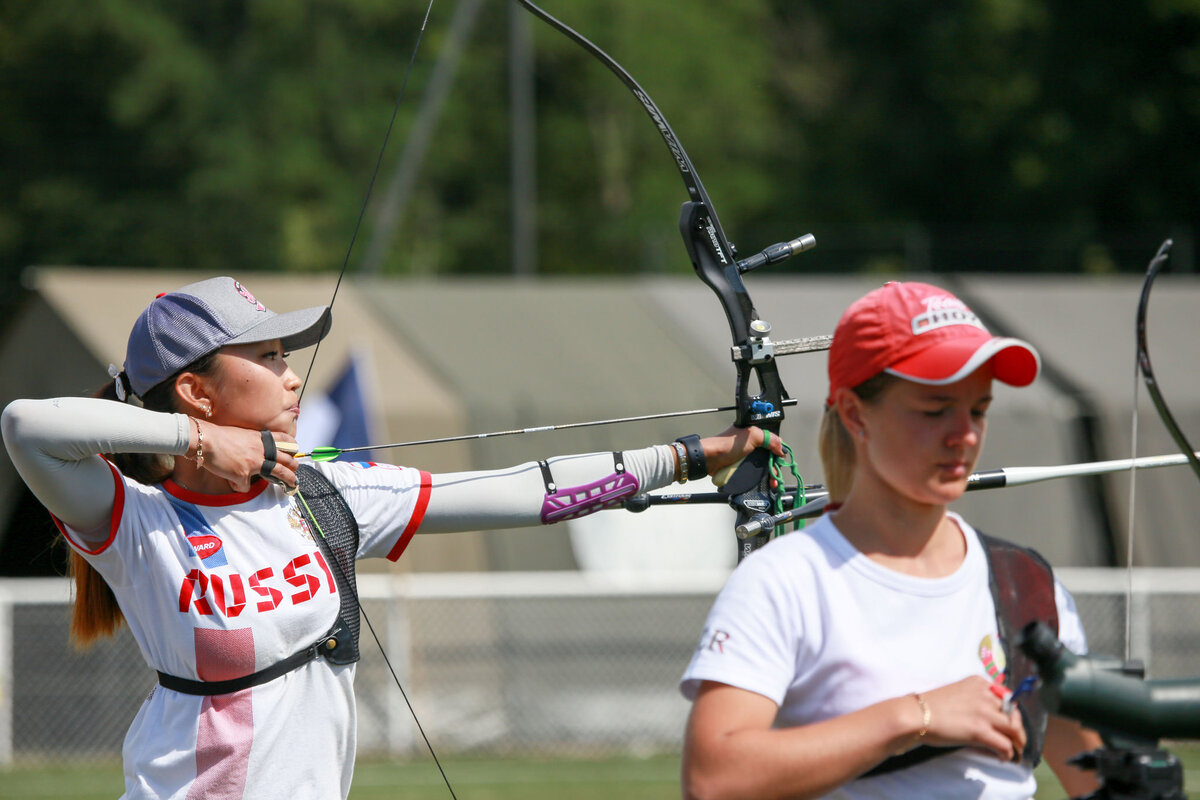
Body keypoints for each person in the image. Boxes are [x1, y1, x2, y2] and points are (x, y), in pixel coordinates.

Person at [0, 276, 779, 800]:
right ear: (197, 391)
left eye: (288, 356)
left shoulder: (326, 493)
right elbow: (25, 424)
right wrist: (201, 444)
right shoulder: (137, 522)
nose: (293, 375)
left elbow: (525, 492)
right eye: (268, 357)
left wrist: (686, 457)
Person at [679, 281, 1104, 800]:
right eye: (934, 410)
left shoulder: (1026, 585)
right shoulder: (784, 581)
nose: (964, 435)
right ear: (857, 415)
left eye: (978, 410)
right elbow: (714, 779)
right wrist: (915, 715)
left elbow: (1099, 777)